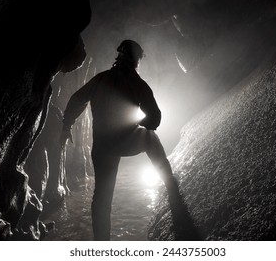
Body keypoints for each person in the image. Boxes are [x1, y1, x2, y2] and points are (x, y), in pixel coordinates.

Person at [60, 39, 196, 240]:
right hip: (124, 141)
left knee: (102, 196)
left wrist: (67, 125)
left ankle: (101, 243)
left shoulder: (100, 79)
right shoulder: (137, 83)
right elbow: (155, 118)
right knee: (150, 137)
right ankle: (171, 187)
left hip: (102, 147)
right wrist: (142, 123)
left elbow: (76, 99)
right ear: (136, 60)